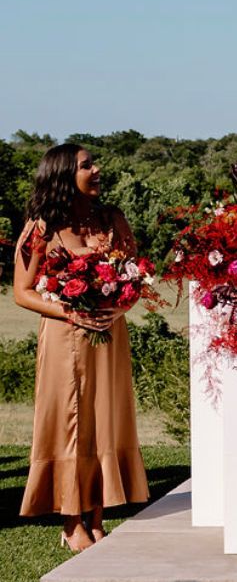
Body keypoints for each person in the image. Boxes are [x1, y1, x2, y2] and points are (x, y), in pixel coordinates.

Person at [12, 144, 149, 552]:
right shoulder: (42, 227)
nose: (97, 169)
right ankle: (72, 521)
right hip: (62, 336)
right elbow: (21, 292)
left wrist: (118, 306)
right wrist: (69, 312)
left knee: (105, 419)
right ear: (62, 174)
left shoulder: (112, 219)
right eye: (87, 165)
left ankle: (98, 515)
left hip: (108, 335)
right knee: (68, 422)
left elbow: (134, 280)